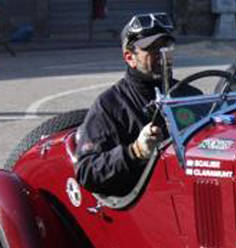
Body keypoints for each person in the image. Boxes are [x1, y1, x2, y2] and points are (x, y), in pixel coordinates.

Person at [75, 13, 193, 197]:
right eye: (152, 48)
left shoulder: (190, 95)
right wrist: (135, 151)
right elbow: (86, 172)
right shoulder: (110, 105)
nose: (163, 54)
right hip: (145, 200)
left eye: (166, 46)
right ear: (129, 57)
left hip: (188, 192)